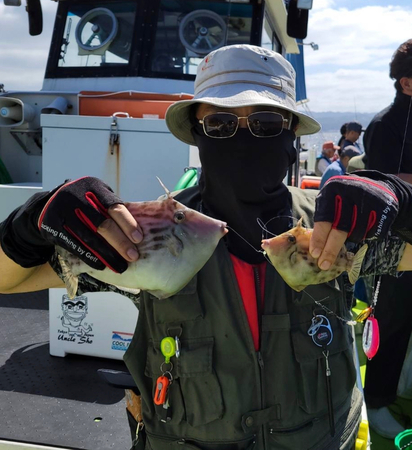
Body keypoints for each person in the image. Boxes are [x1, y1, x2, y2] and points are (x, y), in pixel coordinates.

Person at [2, 44, 412, 450]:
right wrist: (27, 226)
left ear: (291, 137)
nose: (243, 138)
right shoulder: (147, 237)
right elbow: (9, 281)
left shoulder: (336, 229)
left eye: (267, 123)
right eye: (219, 124)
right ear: (198, 136)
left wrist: (403, 200)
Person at [362, 38, 412, 439]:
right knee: (391, 325)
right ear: (406, 84)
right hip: (396, 248)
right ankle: (376, 404)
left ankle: (402, 389)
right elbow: (383, 185)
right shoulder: (383, 126)